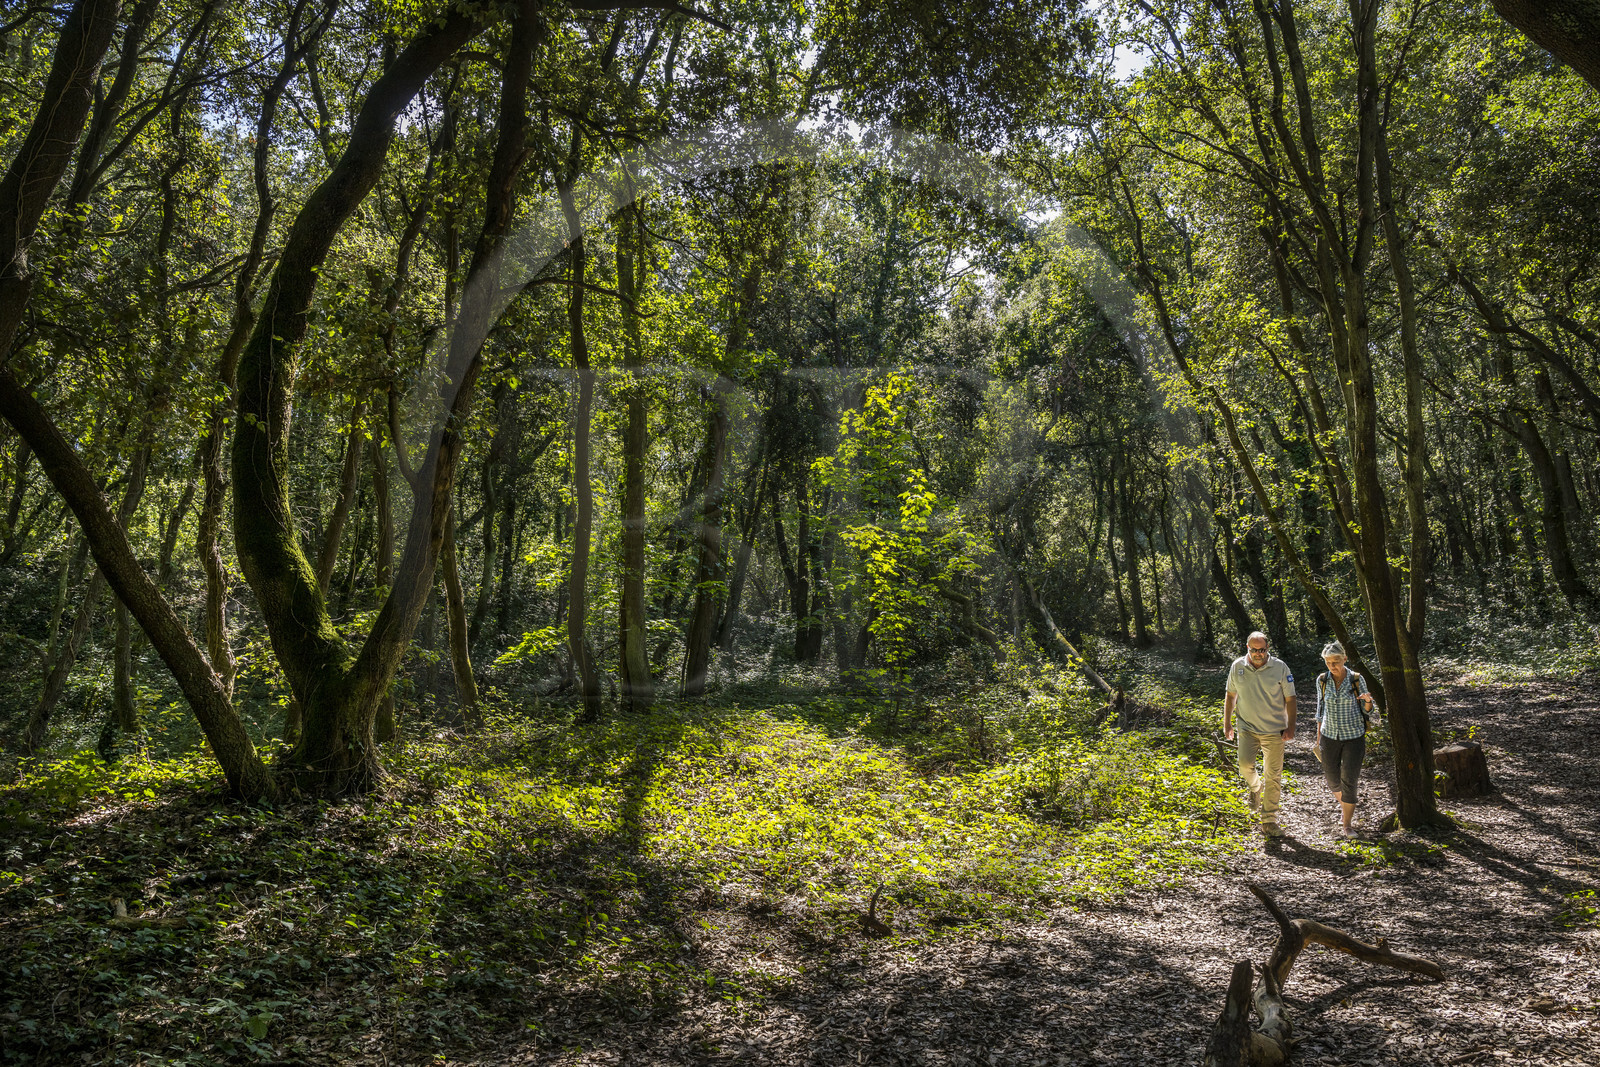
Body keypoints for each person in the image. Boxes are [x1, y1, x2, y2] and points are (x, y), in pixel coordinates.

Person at [1223, 632, 1297, 836]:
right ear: (1248, 648)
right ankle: (1256, 787)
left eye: (1262, 650)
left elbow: (1290, 698)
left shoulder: (1280, 667)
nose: (1258, 654)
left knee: (1273, 775)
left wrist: (1291, 726)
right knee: (1245, 766)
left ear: (1267, 648)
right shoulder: (1237, 666)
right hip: (1246, 728)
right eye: (1254, 650)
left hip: (1275, 731)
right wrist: (1227, 723)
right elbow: (1230, 696)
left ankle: (1269, 820)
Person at [1314, 640, 1377, 838]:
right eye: (1328, 662)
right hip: (1329, 736)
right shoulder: (1322, 680)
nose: (1333, 666)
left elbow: (1367, 710)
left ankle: (1347, 824)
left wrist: (1368, 701)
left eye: (1336, 661)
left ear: (1345, 659)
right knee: (1332, 779)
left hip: (1353, 736)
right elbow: (1320, 710)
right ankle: (1346, 807)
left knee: (1349, 779)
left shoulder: (1356, 679)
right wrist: (1318, 739)